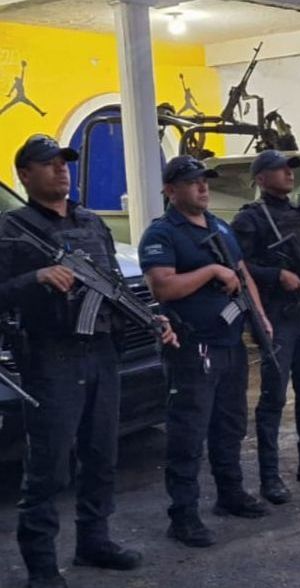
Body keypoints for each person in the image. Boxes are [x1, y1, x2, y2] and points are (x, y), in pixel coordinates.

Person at [0, 134, 176, 588]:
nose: (61, 169)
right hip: (51, 357)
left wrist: (152, 320)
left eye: (64, 162)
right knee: (49, 467)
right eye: (48, 163)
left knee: (101, 455)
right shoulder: (11, 230)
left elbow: (113, 286)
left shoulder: (91, 222)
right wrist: (36, 277)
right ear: (24, 174)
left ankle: (94, 541)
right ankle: (41, 566)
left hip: (101, 353)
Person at [139, 155, 270, 548]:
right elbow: (162, 286)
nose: (202, 187)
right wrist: (212, 272)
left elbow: (242, 273)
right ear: (170, 190)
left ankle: (230, 493)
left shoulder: (219, 226)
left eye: (204, 180)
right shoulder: (162, 233)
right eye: (192, 181)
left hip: (229, 342)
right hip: (193, 346)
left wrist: (260, 317)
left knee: (230, 424)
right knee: (189, 432)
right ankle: (183, 515)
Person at [231, 150, 300, 505]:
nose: (288, 174)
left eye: (289, 169)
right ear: (261, 178)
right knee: (273, 398)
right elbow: (239, 266)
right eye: (279, 170)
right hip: (278, 317)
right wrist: (276, 274)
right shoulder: (250, 218)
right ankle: (270, 476)